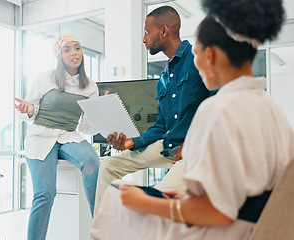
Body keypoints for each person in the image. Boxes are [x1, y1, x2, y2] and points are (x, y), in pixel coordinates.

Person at [91, 0, 290, 239]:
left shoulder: (217, 109)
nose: (195, 61)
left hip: (229, 229)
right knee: (116, 177)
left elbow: (217, 213)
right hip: (262, 226)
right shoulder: (273, 110)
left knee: (134, 209)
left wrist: (144, 202)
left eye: (197, 54)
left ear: (210, 55)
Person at [94, 6, 212, 214]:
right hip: (170, 144)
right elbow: (160, 127)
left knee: (151, 203)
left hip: (196, 151)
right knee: (107, 166)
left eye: (147, 32)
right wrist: (133, 142)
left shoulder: (198, 58)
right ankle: (105, 231)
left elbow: (219, 104)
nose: (143, 39)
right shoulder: (164, 79)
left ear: (164, 31)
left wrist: (194, 141)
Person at [14, 34, 100, 240]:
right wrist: (28, 109)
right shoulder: (45, 78)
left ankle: (100, 226)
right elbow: (26, 111)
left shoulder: (90, 86)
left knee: (91, 162)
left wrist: (99, 113)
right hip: (41, 137)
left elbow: (87, 128)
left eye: (77, 48)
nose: (74, 53)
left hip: (69, 136)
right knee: (45, 194)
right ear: (59, 56)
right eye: (67, 49)